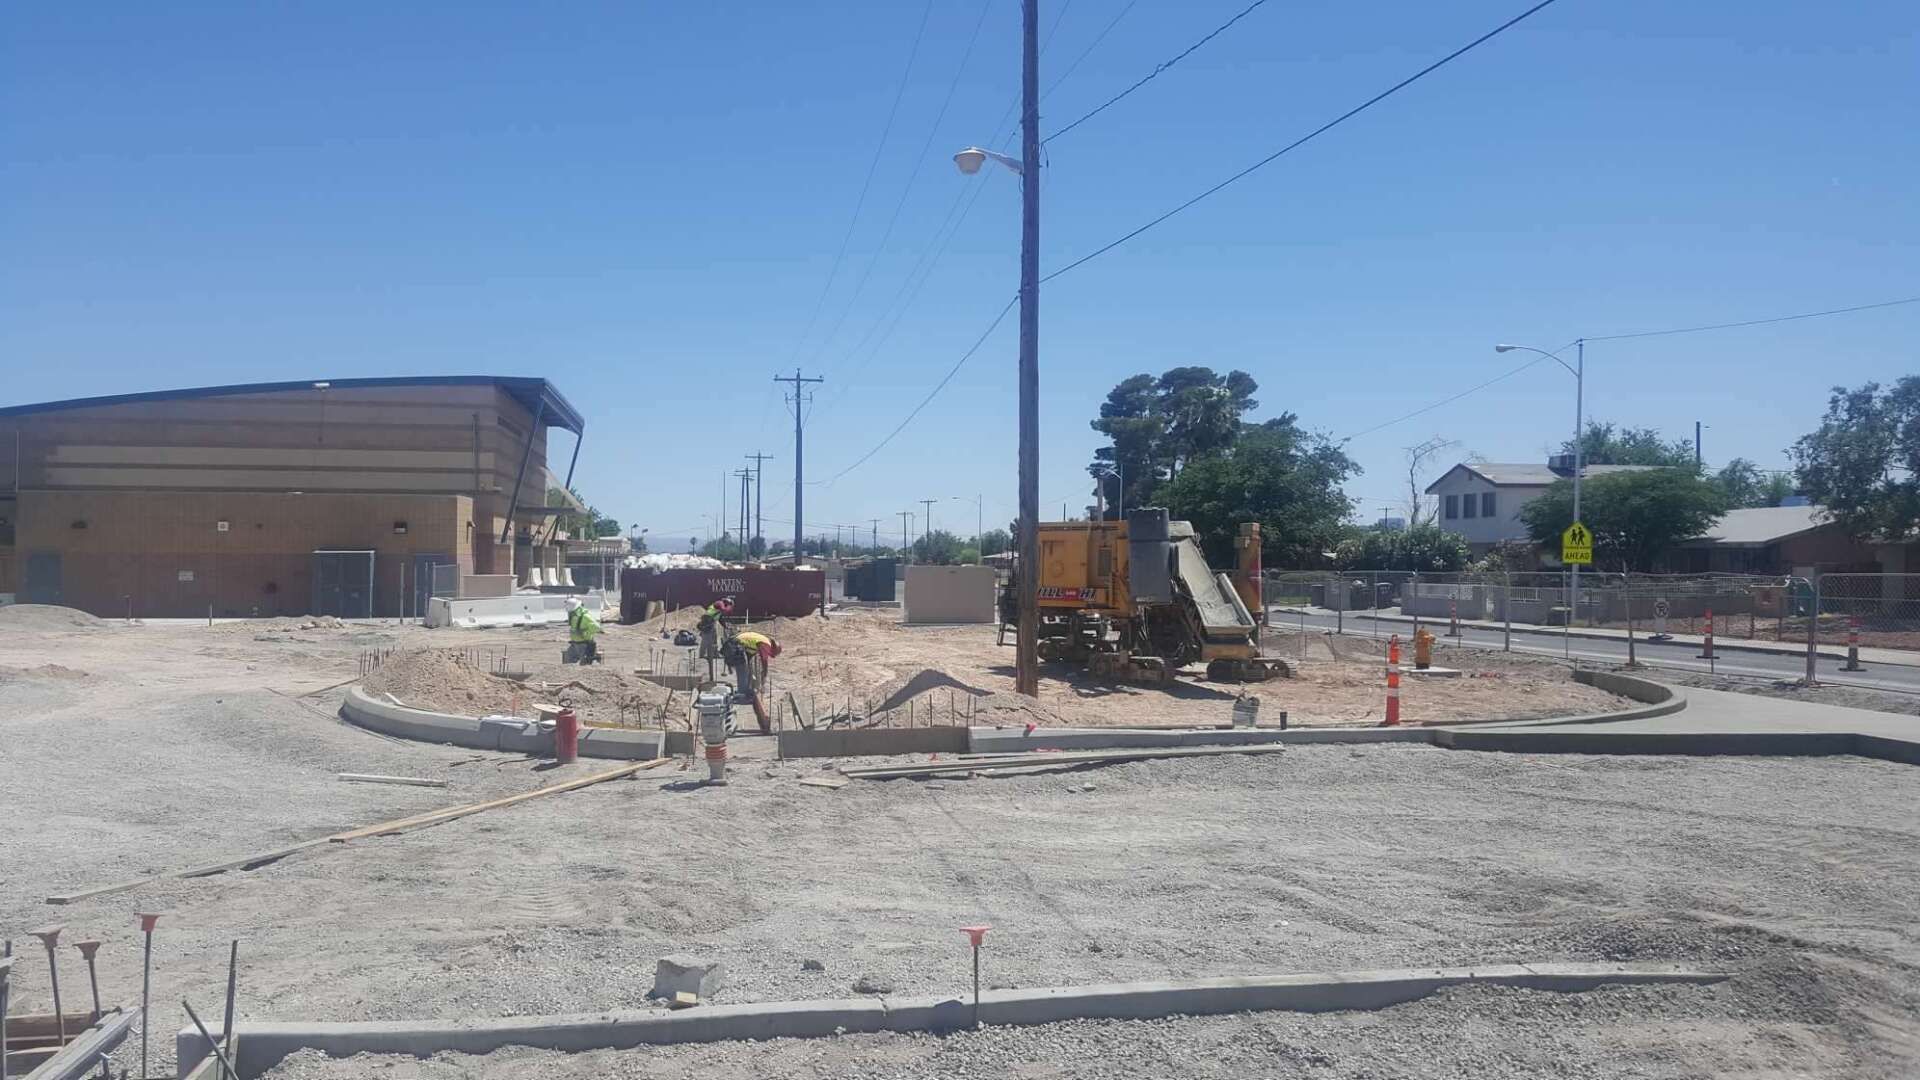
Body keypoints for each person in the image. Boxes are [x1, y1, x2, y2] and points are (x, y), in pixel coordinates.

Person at [722, 627, 779, 733]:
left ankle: (744, 691)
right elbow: (764, 660)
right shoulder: (766, 644)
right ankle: (742, 694)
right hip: (734, 645)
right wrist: (764, 673)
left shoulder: (760, 642)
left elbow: (749, 656)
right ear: (773, 649)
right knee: (742, 668)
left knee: (743, 667)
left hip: (733, 645)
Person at [697, 596, 734, 680]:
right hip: (707, 620)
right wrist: (729, 607)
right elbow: (724, 610)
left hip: (711, 621)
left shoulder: (720, 610)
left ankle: (715, 653)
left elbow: (720, 619)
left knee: (714, 638)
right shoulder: (719, 603)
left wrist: (725, 626)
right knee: (706, 638)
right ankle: (702, 655)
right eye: (728, 605)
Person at [563, 597, 600, 664]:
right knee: (568, 662)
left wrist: (585, 633)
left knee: (585, 665)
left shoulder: (585, 616)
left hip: (584, 644)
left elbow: (596, 627)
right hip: (575, 644)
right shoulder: (575, 616)